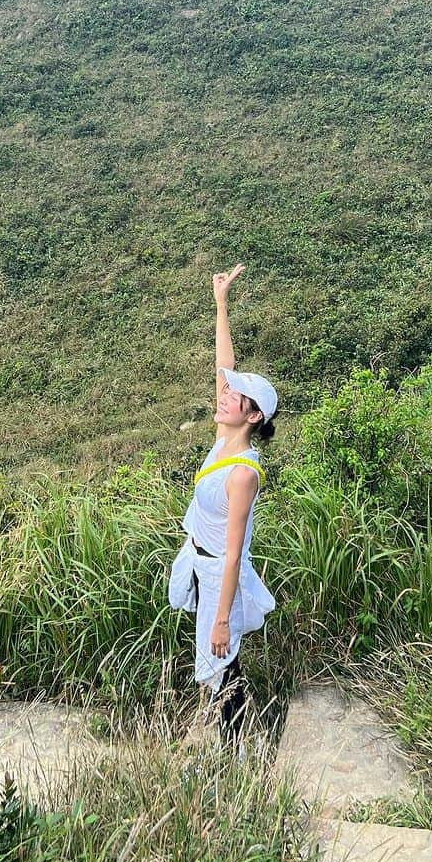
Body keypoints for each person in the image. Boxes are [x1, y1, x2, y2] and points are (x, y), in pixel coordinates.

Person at [168, 262, 278, 746]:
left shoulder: (242, 473)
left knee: (222, 660)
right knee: (220, 663)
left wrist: (220, 616)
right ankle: (231, 740)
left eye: (237, 397)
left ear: (253, 416)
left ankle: (235, 751)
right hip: (199, 563)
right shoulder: (222, 441)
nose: (225, 394)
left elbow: (235, 553)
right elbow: (223, 367)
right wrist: (220, 304)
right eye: (228, 392)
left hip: (219, 576)